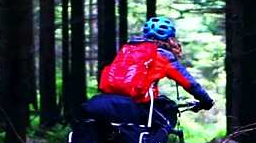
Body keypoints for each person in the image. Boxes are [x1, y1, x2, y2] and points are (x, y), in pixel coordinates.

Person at [83, 15, 214, 131]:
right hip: (136, 104)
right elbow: (189, 83)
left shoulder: (129, 48)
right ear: (170, 39)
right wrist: (206, 101)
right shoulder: (164, 56)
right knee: (165, 124)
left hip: (106, 101)